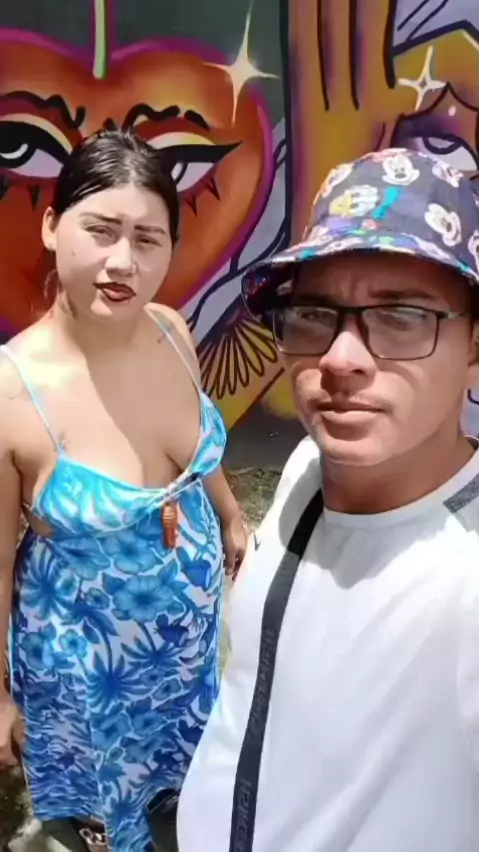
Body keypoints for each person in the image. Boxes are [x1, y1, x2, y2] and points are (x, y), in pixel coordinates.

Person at [177, 148, 479, 852]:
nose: (340, 358)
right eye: (314, 313)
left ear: (474, 345)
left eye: (402, 315)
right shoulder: (308, 469)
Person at [0, 128, 246, 852]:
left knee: (189, 791)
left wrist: (230, 516)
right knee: (109, 822)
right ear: (51, 226)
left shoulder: (170, 330)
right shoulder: (13, 392)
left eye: (147, 239)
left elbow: (193, 452)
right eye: (101, 230)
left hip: (188, 649)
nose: (123, 262)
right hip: (91, 676)